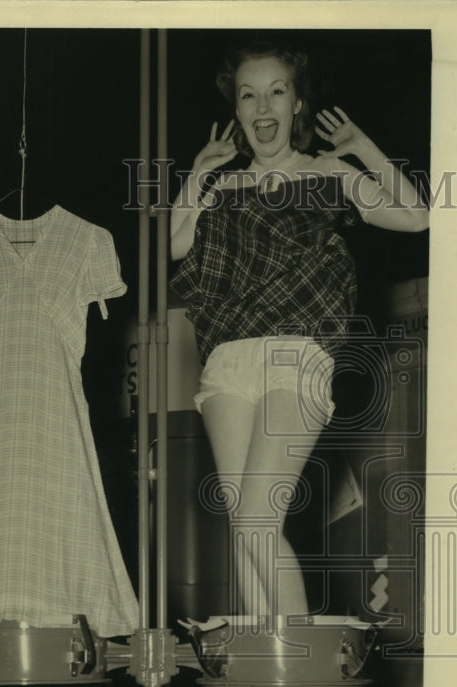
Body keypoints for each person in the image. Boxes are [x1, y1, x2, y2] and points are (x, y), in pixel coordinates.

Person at [170, 40, 429, 621]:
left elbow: (416, 216)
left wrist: (364, 149)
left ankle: (298, 673)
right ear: (237, 112)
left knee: (260, 518)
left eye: (276, 91)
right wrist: (195, 174)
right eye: (248, 94)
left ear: (296, 104)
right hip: (226, 362)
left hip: (295, 354)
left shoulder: (326, 174)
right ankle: (272, 668)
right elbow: (170, 245)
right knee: (245, 530)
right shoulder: (218, 189)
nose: (263, 105)